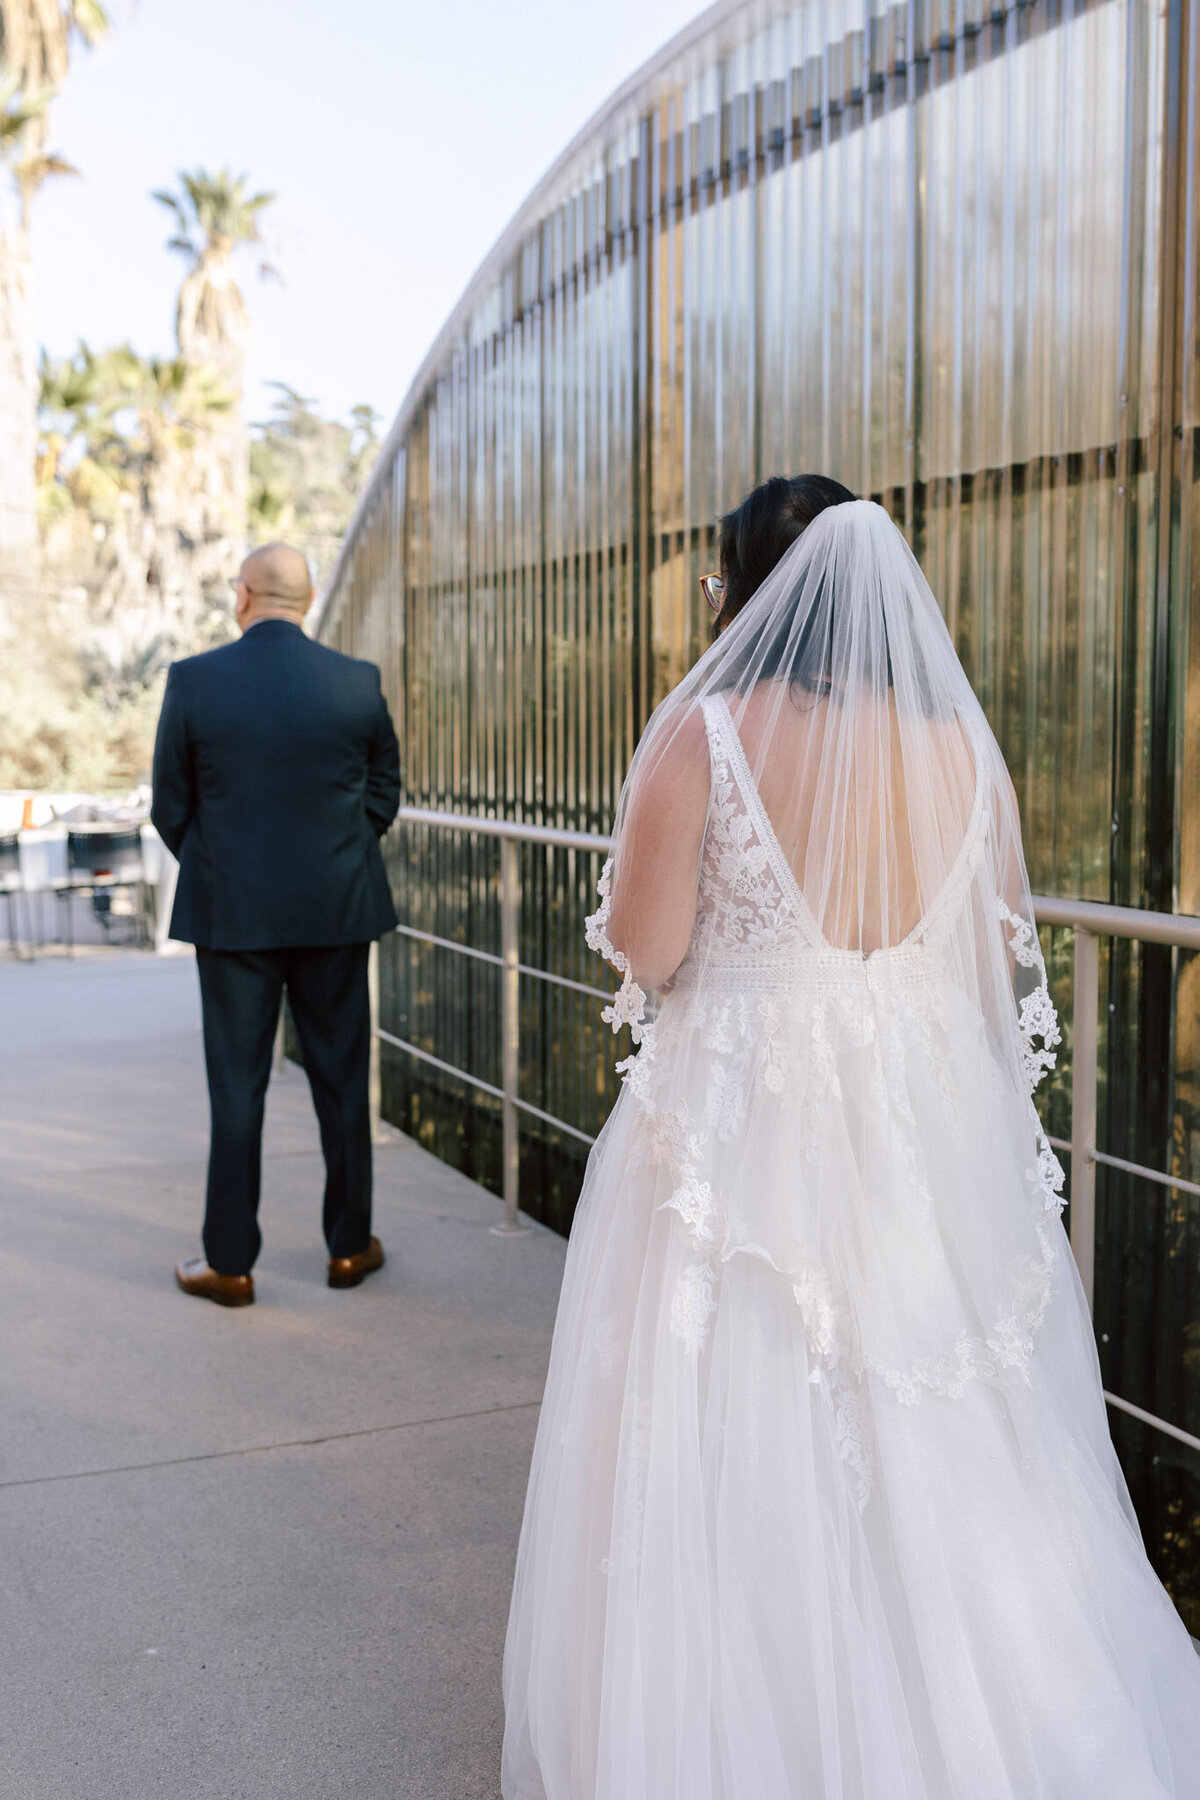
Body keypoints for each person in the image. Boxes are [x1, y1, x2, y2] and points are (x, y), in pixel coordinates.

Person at [501, 482, 1200, 1798]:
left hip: (747, 1113)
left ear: (751, 589)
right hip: (922, 1125)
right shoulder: (963, 756)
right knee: (943, 1424)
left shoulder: (707, 737)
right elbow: (991, 948)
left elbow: (650, 951)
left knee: (740, 1413)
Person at [151, 542, 400, 1307]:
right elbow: (383, 794)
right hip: (335, 910)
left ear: (244, 595)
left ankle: (229, 1266)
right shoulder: (356, 682)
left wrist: (223, 865)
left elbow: (170, 804)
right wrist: (334, 861)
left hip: (232, 919)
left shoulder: (194, 681)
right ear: (310, 597)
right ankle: (350, 1250)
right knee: (342, 1083)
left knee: (237, 1089)